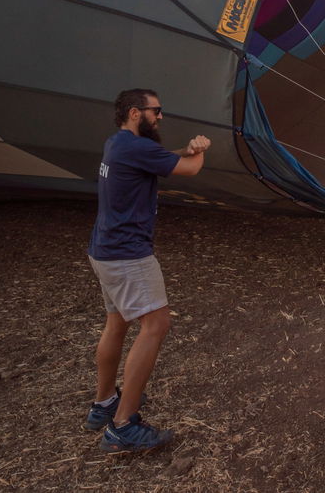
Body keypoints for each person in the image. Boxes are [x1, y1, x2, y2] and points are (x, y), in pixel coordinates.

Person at [85, 88, 211, 453]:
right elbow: (188, 169)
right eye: (156, 111)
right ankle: (122, 426)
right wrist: (199, 150)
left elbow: (158, 158)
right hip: (128, 256)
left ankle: (104, 402)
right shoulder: (136, 147)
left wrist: (181, 151)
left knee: (117, 324)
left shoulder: (118, 144)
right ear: (136, 113)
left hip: (104, 251)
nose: (161, 117)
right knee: (156, 324)